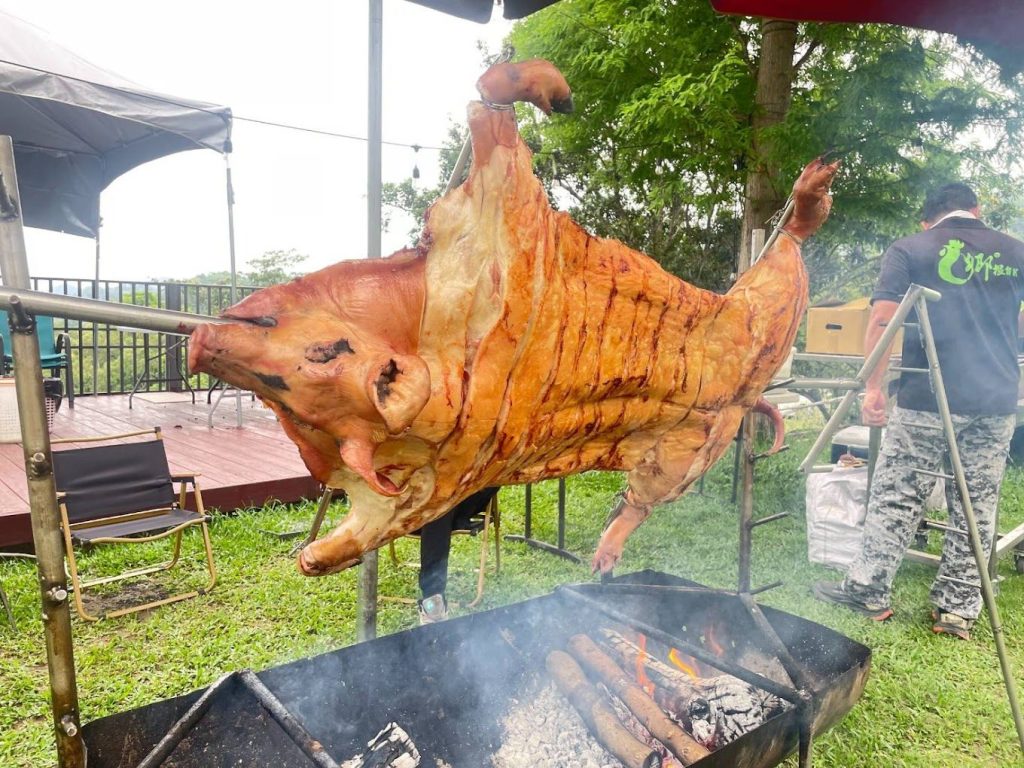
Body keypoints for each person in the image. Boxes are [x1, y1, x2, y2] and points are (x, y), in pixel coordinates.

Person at [813, 182, 1024, 640]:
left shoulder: (912, 248)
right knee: (976, 503)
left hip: (928, 397)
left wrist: (873, 388)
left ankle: (868, 591)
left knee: (898, 494)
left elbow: (883, 319)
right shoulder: (1015, 250)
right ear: (977, 208)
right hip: (995, 401)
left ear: (928, 219)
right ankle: (957, 610)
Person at [417, 486, 499, 624]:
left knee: (441, 505)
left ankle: (433, 600)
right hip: (417, 493)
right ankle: (433, 598)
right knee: (439, 505)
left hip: (468, 488)